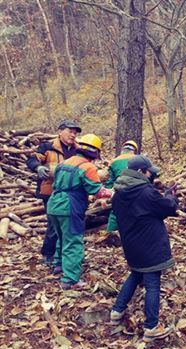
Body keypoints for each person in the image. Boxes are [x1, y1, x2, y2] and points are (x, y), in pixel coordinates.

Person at [109, 155, 176, 342]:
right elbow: (168, 207)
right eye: (148, 172)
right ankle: (151, 327)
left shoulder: (119, 191)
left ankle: (117, 311)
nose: (151, 175)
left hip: (131, 246)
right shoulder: (146, 192)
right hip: (150, 246)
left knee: (136, 274)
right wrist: (170, 194)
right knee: (152, 283)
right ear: (140, 172)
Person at [47, 134, 112, 289]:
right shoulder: (88, 167)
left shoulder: (63, 163)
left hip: (54, 203)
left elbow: (58, 182)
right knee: (73, 241)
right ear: (95, 152)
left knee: (61, 236)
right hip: (69, 206)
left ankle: (59, 265)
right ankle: (70, 280)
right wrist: (112, 193)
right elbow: (97, 190)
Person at [26, 119, 80, 267]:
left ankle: (63, 254)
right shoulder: (47, 147)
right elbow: (31, 159)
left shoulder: (78, 150)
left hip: (71, 192)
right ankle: (48, 253)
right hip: (50, 191)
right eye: (70, 131)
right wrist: (38, 167)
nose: (73, 135)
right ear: (60, 131)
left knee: (68, 224)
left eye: (75, 133)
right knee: (53, 223)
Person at [104, 140, 139, 234]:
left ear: (123, 149)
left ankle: (110, 233)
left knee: (115, 212)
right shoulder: (138, 159)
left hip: (119, 189)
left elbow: (110, 180)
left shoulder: (114, 161)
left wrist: (107, 193)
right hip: (136, 189)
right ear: (134, 150)